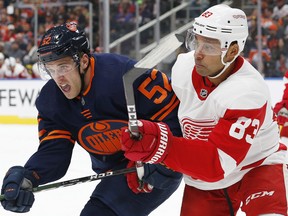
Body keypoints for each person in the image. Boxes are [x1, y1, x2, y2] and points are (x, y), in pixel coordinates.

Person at [0, 21, 182, 215]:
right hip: (115, 170)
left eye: (62, 67)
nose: (57, 78)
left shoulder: (123, 75)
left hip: (152, 167)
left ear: (84, 61)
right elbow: (55, 152)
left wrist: (163, 156)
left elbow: (175, 115)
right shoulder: (51, 101)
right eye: (50, 70)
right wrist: (29, 175)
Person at [121, 4, 288, 216]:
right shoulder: (183, 68)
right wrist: (146, 154)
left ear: (233, 51)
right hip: (206, 180)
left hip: (256, 168)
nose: (197, 54)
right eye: (196, 41)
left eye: (209, 47)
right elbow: (169, 123)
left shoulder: (246, 92)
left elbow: (216, 163)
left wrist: (160, 148)